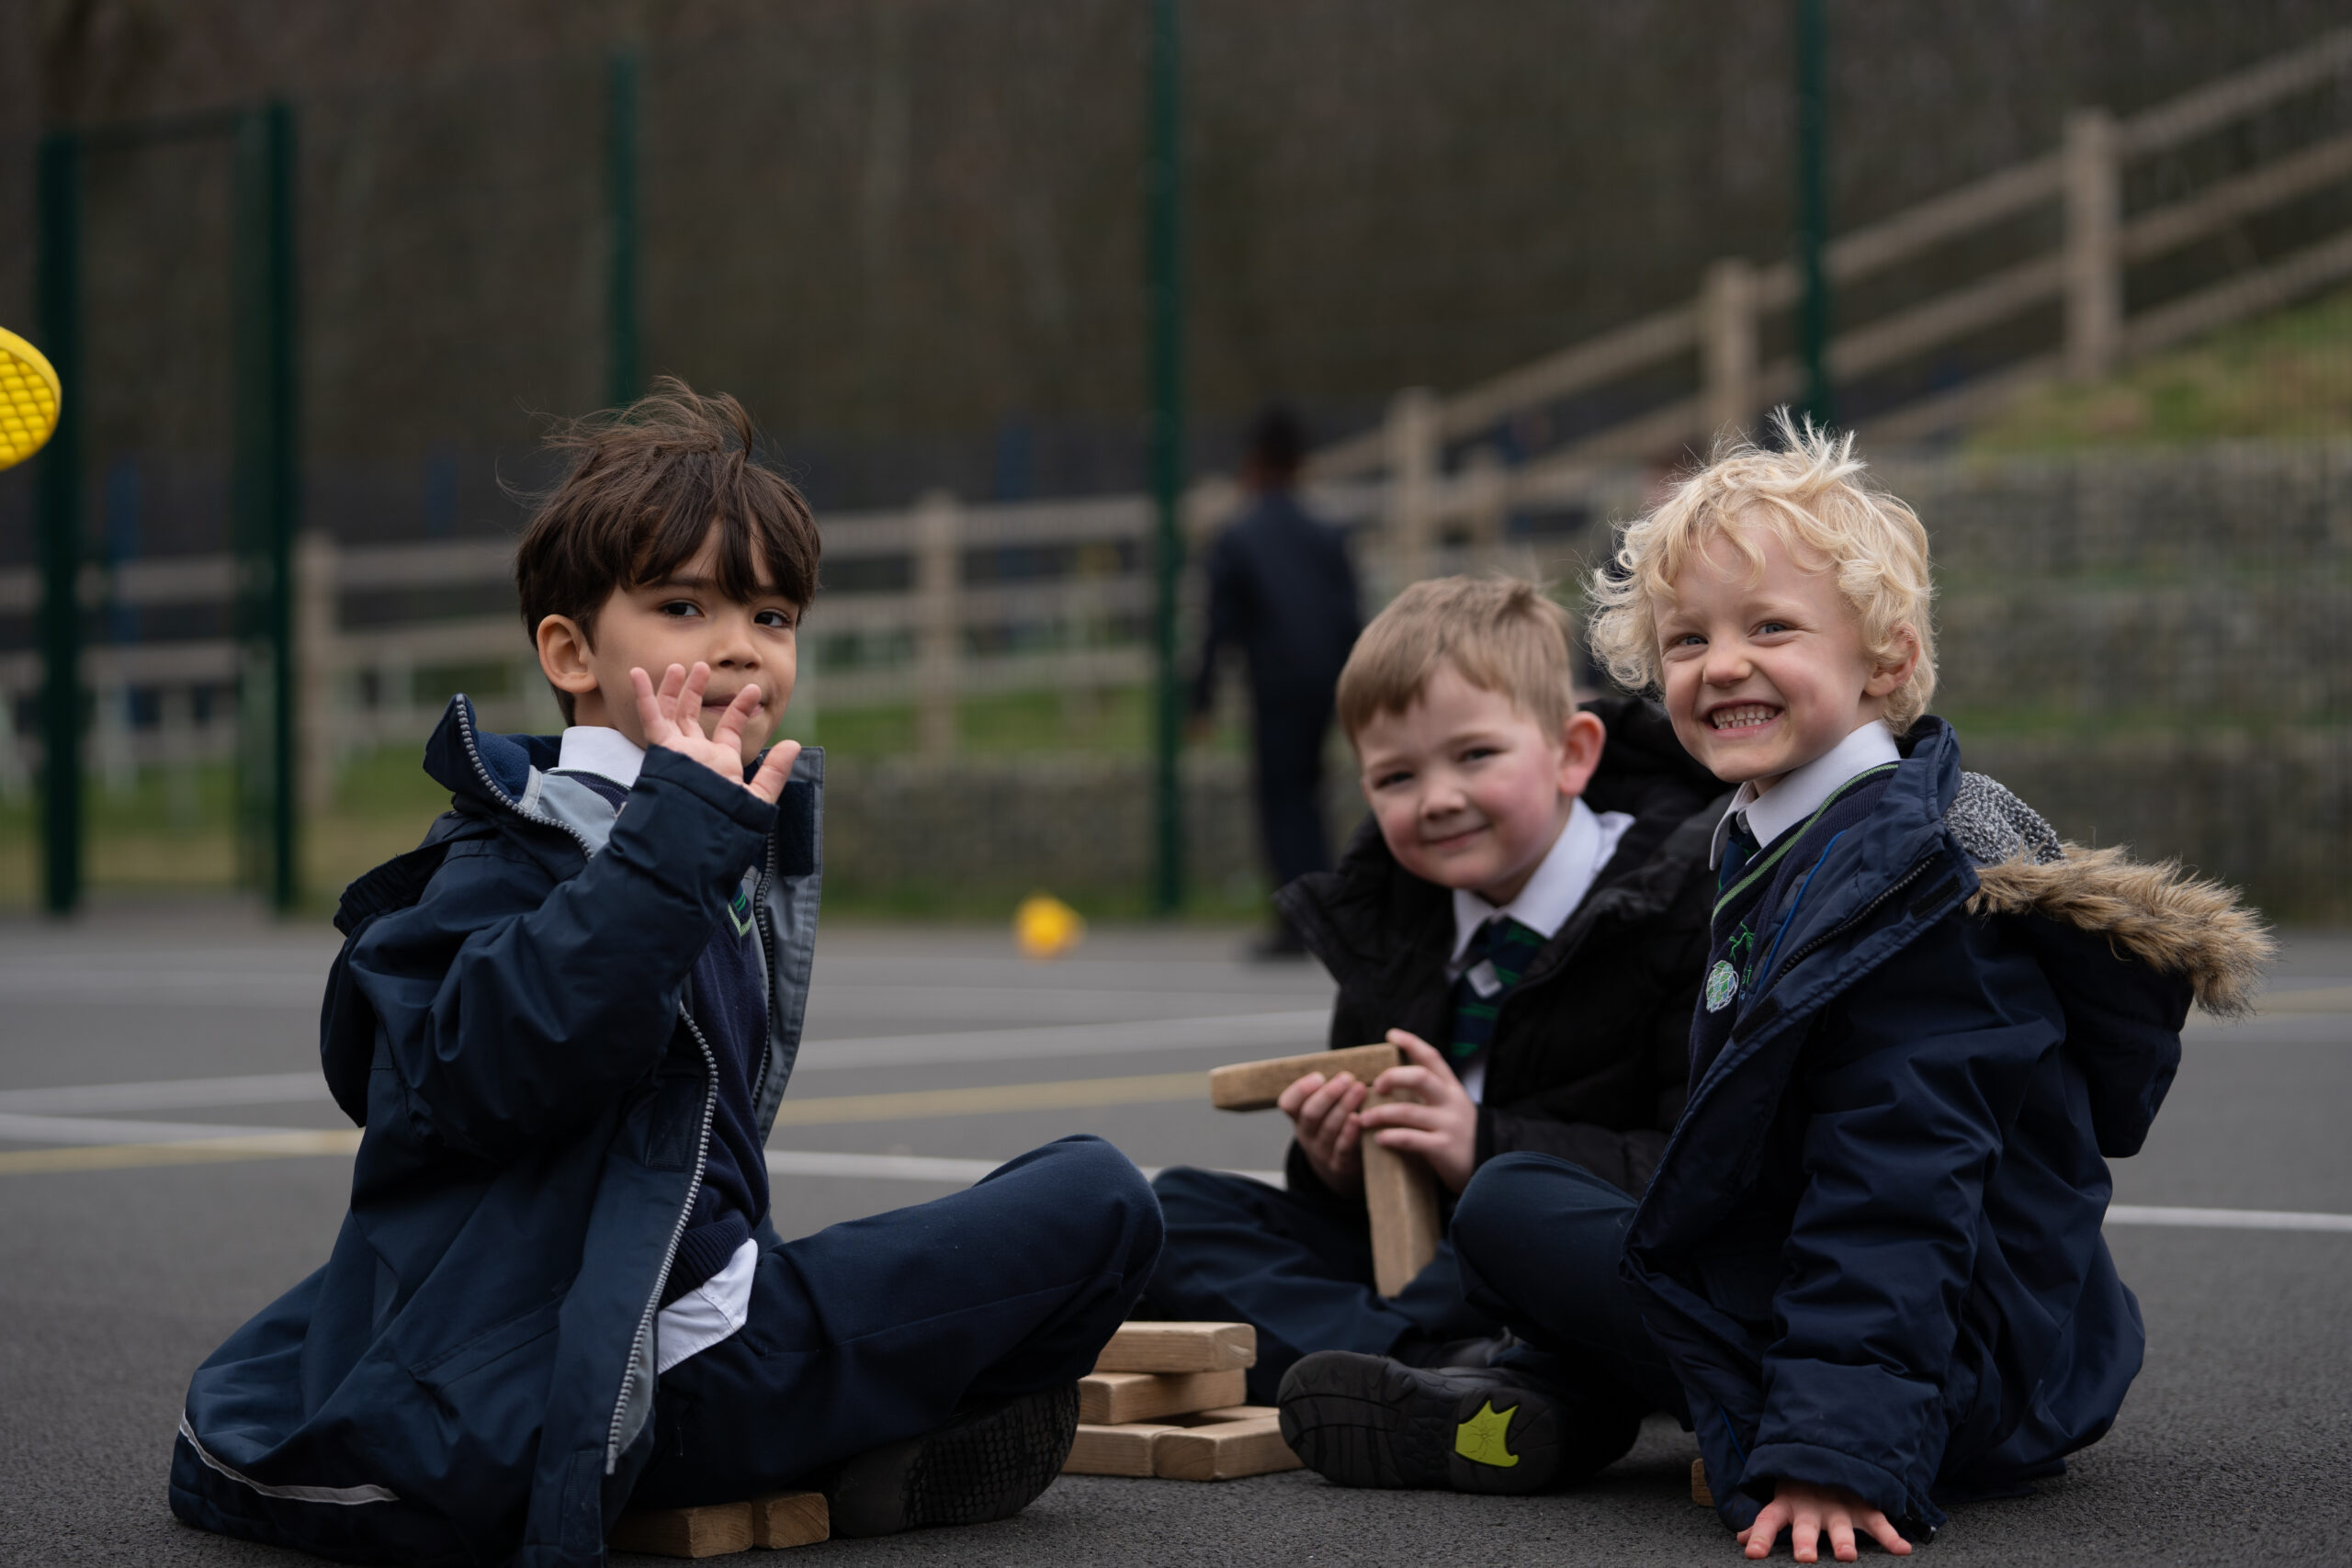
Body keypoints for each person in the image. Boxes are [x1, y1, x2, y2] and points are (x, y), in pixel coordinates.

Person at [167, 382, 1163, 1568]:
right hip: (665, 1366)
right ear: (570, 650)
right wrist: (672, 847)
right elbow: (457, 1069)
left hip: (694, 1311)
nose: (740, 642)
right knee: (1103, 1200)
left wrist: (691, 842)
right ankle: (852, 1439)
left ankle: (874, 1444)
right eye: (684, 604)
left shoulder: (708, 839)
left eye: (774, 614)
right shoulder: (513, 856)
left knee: (1108, 1190)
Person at [1274, 415, 2270, 1562]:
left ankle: (1580, 1398)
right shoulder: (1775, 840)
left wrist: (1836, 1461)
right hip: (1900, 1320)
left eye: (1771, 628)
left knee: (1510, 1208)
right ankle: (1538, 1407)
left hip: (1964, 1368)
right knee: (1537, 1212)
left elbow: (1900, 1183)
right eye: (1686, 639)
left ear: (1884, 661)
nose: (1721, 664)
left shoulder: (1906, 888)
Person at [1143, 576, 1724, 1404]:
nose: (1438, 799)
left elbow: (1685, 1171)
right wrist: (1336, 1166)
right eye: (1395, 778)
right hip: (1421, 1272)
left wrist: (1479, 1143)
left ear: (1572, 752)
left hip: (1564, 1252)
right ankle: (1430, 1369)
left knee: (1506, 1223)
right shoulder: (1393, 918)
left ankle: (1382, 1362)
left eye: (1475, 756)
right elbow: (1372, 1208)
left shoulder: (1674, 902)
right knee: (1168, 1214)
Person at [1191, 404, 1361, 955]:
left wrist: (1201, 699)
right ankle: (1325, 911)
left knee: (1280, 801)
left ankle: (1297, 921)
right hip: (1327, 686)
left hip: (1276, 688)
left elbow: (1218, 627)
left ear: (1254, 462)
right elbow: (1348, 618)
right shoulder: (1326, 533)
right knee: (1310, 796)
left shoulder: (1238, 538)